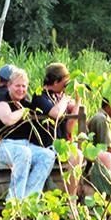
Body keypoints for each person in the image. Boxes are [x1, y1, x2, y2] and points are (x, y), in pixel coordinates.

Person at [0, 67, 56, 201]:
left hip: (25, 145)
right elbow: (7, 119)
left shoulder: (25, 101)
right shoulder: (3, 100)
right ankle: (14, 201)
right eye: (17, 86)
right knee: (24, 153)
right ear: (9, 86)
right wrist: (22, 112)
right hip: (2, 145)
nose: (21, 89)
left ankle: (30, 200)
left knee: (48, 155)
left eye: (24, 86)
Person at [31, 62, 86, 194]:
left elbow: (69, 128)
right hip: (46, 146)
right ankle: (71, 197)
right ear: (55, 82)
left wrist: (77, 101)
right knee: (76, 154)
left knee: (78, 154)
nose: (65, 87)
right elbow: (55, 113)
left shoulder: (59, 97)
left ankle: (72, 197)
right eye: (64, 84)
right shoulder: (40, 96)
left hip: (61, 144)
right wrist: (66, 99)